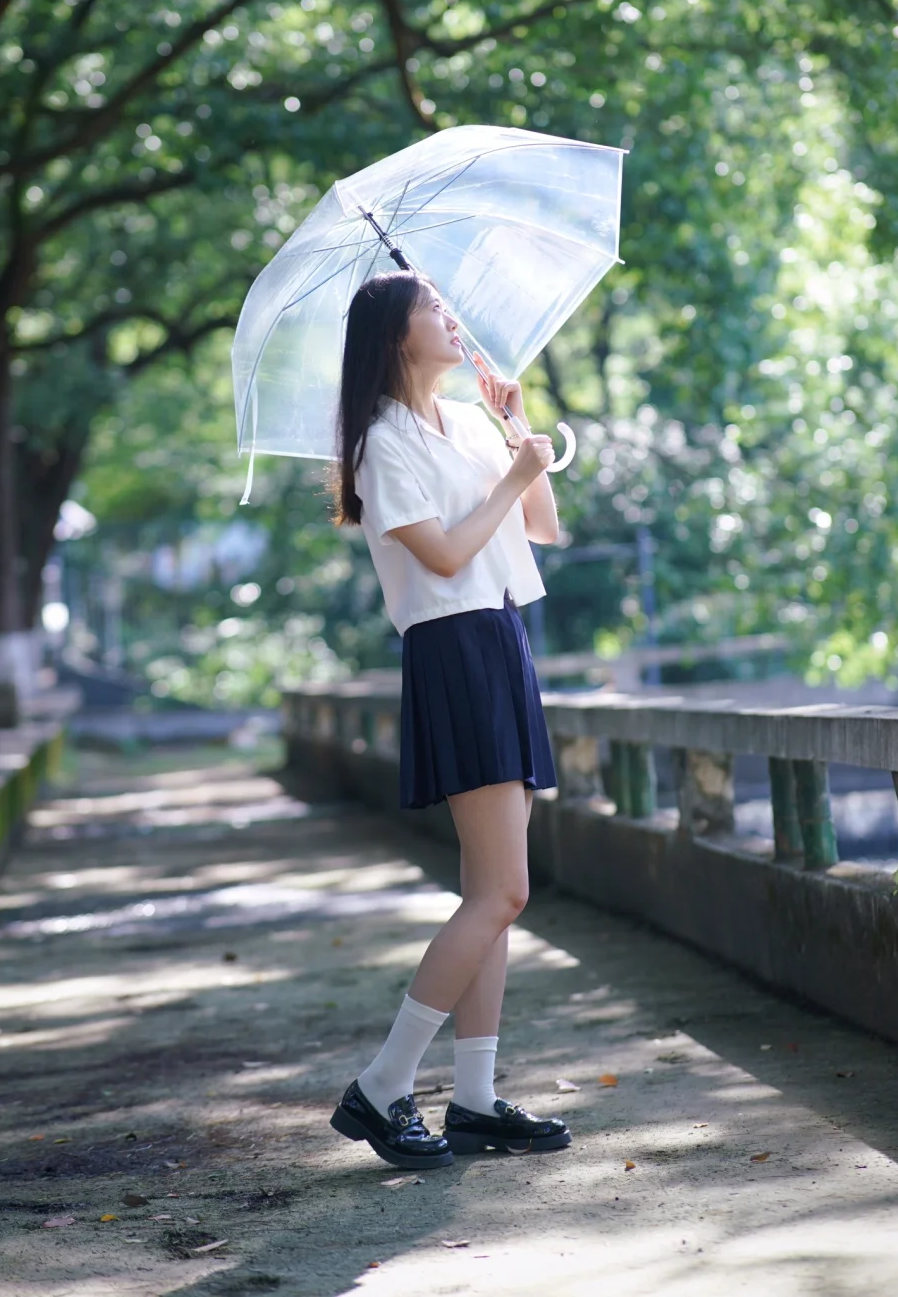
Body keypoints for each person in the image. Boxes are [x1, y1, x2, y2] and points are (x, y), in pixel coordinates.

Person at [328, 269, 572, 1169]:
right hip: (453, 646)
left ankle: (473, 1099)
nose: (452, 319)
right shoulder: (381, 444)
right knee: (501, 891)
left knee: (494, 893)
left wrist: (515, 431)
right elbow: (440, 557)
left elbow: (540, 528)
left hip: (501, 636)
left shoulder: (467, 421)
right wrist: (512, 475)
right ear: (396, 335)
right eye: (435, 309)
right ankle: (383, 1085)